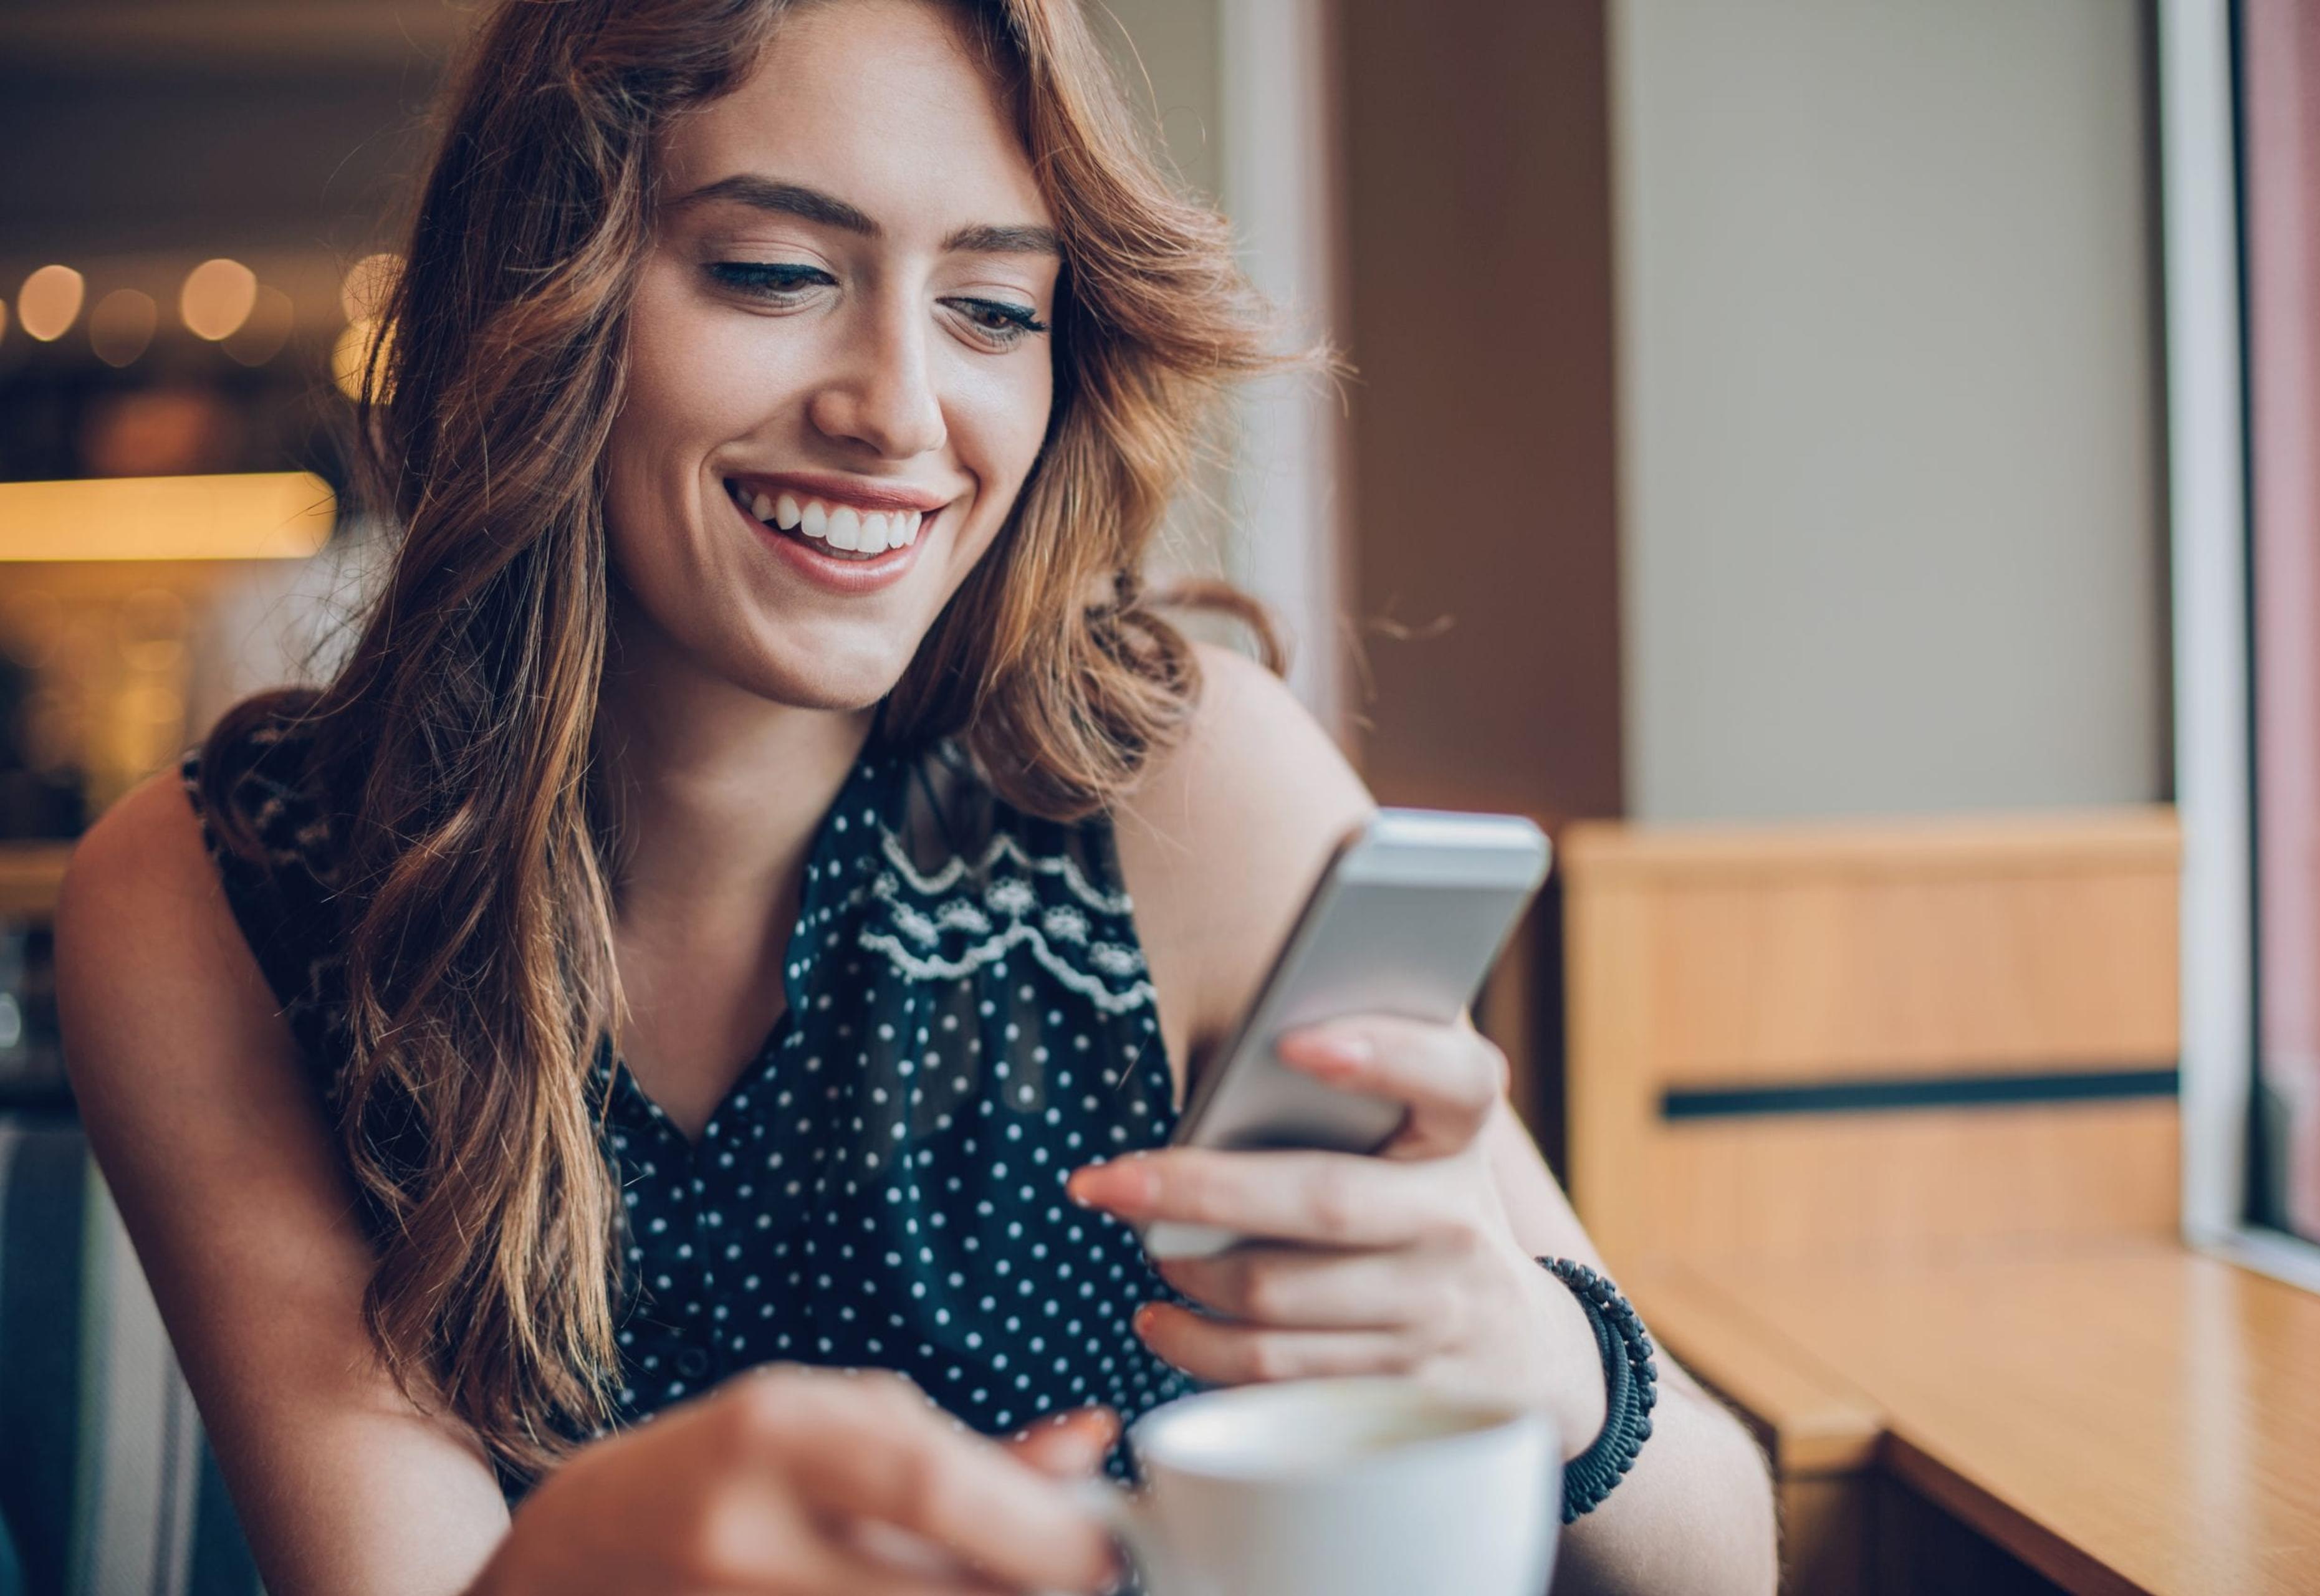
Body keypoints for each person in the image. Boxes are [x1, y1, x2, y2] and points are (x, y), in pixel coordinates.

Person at [54, 2, 1776, 1592]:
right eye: (776, 271)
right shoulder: (225, 892)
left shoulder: (1182, 787)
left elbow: (1728, 1547)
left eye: (993, 308)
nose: (899, 410)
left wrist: (1552, 1370)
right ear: (544, 289)